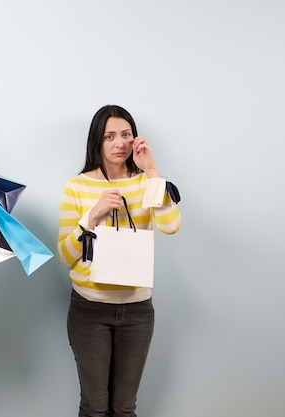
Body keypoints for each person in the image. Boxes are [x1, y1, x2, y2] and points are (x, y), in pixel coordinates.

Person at [57, 105, 181, 417]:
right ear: (96, 142)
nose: (119, 143)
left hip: (137, 311)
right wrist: (92, 216)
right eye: (109, 136)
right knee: (95, 407)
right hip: (89, 309)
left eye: (126, 134)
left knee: (124, 409)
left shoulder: (144, 183)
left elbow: (170, 225)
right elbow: (65, 255)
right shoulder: (77, 186)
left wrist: (153, 172)